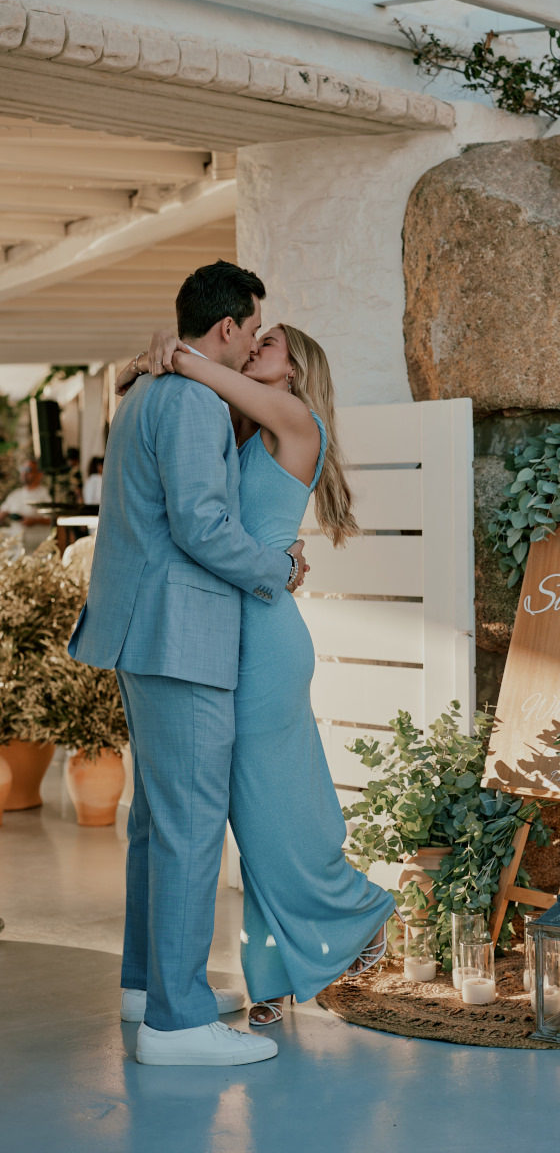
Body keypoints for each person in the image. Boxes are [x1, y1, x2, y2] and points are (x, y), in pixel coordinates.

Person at [69, 260, 308, 1067]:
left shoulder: (153, 392)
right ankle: (176, 1022)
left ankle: (148, 989)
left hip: (150, 632)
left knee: (155, 821)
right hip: (181, 636)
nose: (249, 348)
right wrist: (275, 569)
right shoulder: (193, 400)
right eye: (250, 330)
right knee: (189, 825)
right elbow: (201, 526)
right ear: (230, 327)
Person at [140, 320, 398, 1029]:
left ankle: (363, 913)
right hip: (236, 634)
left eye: (269, 344)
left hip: (267, 646)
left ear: (295, 371)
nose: (255, 350)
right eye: (255, 341)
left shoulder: (297, 419)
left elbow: (206, 373)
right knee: (250, 817)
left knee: (266, 813)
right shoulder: (250, 428)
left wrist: (174, 347)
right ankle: (275, 981)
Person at [0, 458, 52, 555]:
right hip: (16, 550)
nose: (24, 473)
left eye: (28, 470)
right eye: (22, 469)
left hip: (39, 550)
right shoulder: (14, 495)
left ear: (39, 474)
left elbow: (53, 519)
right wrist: (5, 514)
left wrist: (34, 521)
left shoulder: (45, 494)